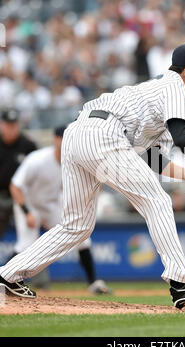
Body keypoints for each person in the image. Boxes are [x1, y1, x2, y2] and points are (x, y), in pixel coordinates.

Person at [0, 42, 185, 309]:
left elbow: (151, 157)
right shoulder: (174, 86)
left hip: (78, 135)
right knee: (158, 201)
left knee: (76, 226)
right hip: (103, 135)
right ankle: (181, 283)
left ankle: (7, 274)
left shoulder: (158, 95)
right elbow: (184, 137)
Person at [8, 126, 112, 295]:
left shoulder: (72, 160)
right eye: (63, 138)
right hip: (28, 204)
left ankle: (94, 283)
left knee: (81, 236)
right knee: (25, 244)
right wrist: (26, 211)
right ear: (55, 139)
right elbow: (15, 186)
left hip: (50, 205)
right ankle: (4, 280)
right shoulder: (38, 159)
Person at [0, 109, 37, 240]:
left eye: (14, 125)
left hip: (22, 196)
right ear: (1, 125)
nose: (11, 128)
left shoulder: (28, 145)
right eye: (8, 125)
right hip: (1, 195)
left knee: (27, 240)